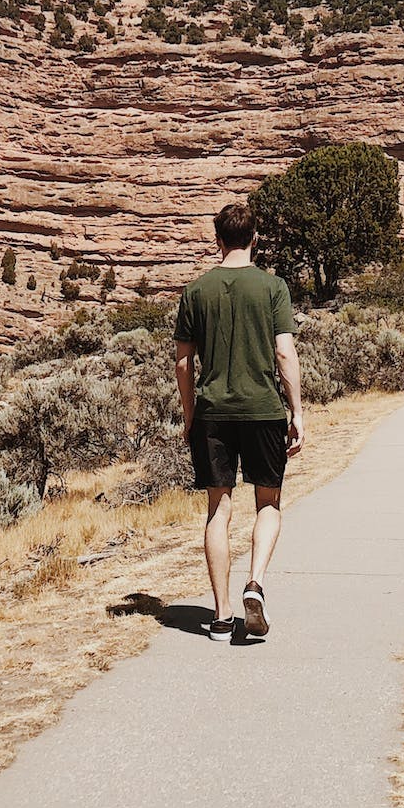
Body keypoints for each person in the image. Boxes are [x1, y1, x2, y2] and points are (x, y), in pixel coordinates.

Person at [172, 201, 305, 641]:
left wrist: (191, 415)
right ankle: (256, 584)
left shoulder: (195, 291)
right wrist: (297, 412)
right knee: (268, 503)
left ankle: (221, 615)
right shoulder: (273, 288)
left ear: (217, 239)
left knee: (218, 509)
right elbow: (284, 352)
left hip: (213, 414)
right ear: (254, 238)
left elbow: (183, 364)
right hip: (263, 410)